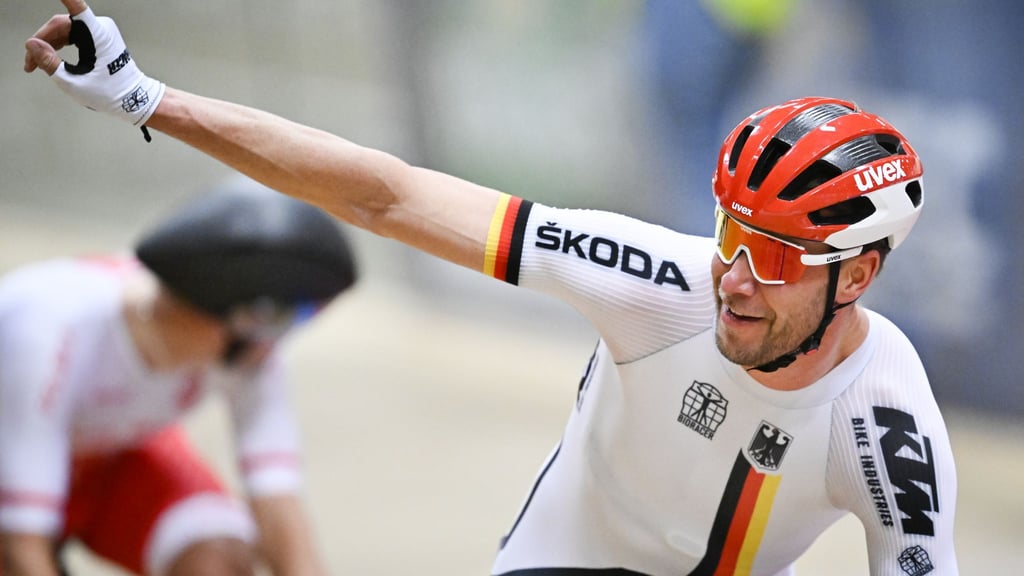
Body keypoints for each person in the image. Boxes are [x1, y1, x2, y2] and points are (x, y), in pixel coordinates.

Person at [22, 1, 958, 574]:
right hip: (568, 561)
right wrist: (152, 100)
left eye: (783, 257)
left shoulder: (888, 429)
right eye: (731, 234)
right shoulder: (652, 283)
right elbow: (387, 195)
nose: (738, 280)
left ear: (860, 277)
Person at [0, 175, 358, 575]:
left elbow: (277, 498)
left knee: (218, 559)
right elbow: (21, 546)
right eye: (270, 322)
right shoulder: (47, 331)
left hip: (108, 460)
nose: (269, 347)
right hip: (10, 458)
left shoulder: (246, 345)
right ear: (204, 306)